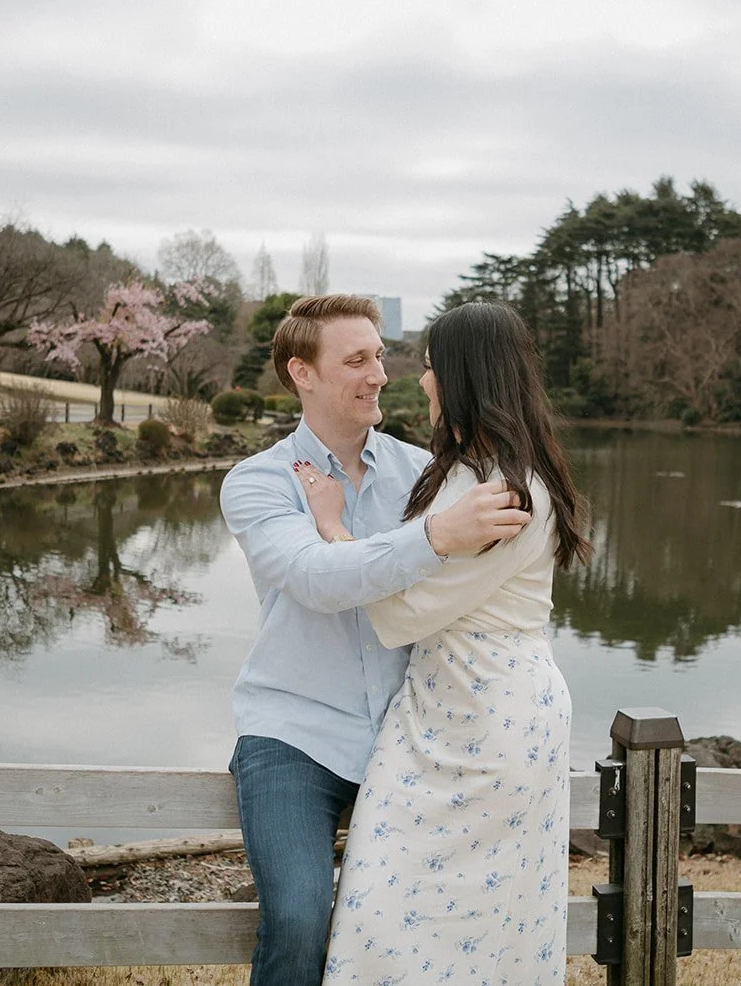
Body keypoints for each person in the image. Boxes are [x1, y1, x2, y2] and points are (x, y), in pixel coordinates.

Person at [220, 294, 534, 986]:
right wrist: (432, 537)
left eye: (381, 355)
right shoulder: (258, 481)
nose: (379, 374)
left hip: (412, 735)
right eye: (357, 359)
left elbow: (477, 581)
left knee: (427, 918)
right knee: (301, 917)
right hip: (294, 733)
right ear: (302, 372)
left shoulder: (421, 471)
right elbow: (313, 577)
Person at [297, 301, 593, 985]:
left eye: (429, 368)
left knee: (458, 913)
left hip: (488, 716)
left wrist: (335, 529)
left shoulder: (503, 490)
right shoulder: (473, 469)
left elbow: (406, 614)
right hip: (453, 702)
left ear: (462, 376)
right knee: (418, 906)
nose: (419, 382)